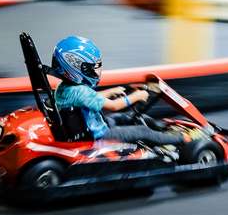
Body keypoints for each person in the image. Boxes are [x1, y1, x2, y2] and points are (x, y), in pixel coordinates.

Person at [48, 35, 198, 146]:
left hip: (91, 127)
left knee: (125, 118)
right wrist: (137, 96)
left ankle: (162, 131)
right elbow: (114, 106)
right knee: (141, 131)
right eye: (94, 67)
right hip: (99, 135)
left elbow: (87, 99)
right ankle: (182, 139)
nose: (98, 70)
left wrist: (110, 91)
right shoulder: (80, 91)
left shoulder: (64, 88)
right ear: (77, 67)